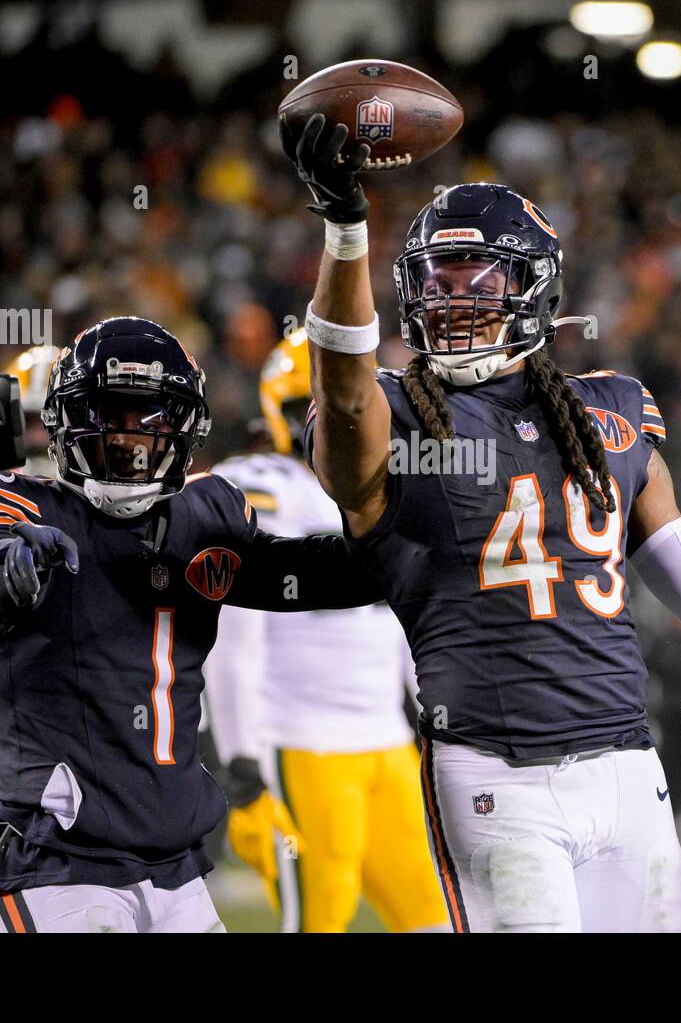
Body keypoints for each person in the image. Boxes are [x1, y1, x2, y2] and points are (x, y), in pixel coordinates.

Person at [281, 115, 681, 932]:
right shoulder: (397, 413)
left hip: (627, 771)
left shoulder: (609, 410)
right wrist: (344, 232)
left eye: (479, 279)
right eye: (436, 279)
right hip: (495, 778)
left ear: (536, 287)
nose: (452, 299)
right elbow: (341, 395)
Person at [0, 316, 386, 934]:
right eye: (112, 415)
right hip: (58, 863)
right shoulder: (17, 501)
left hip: (177, 871)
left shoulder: (207, 513)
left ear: (186, 428)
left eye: (150, 419)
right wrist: (12, 565)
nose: (129, 440)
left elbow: (301, 576)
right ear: (70, 419)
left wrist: (402, 544)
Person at [204, 329, 447, 932]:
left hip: (389, 746)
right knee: (316, 923)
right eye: (306, 409)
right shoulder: (262, 486)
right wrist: (241, 760)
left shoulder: (389, 488)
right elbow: (236, 638)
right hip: (305, 746)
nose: (326, 425)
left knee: (439, 918)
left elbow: (407, 627)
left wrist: (437, 719)